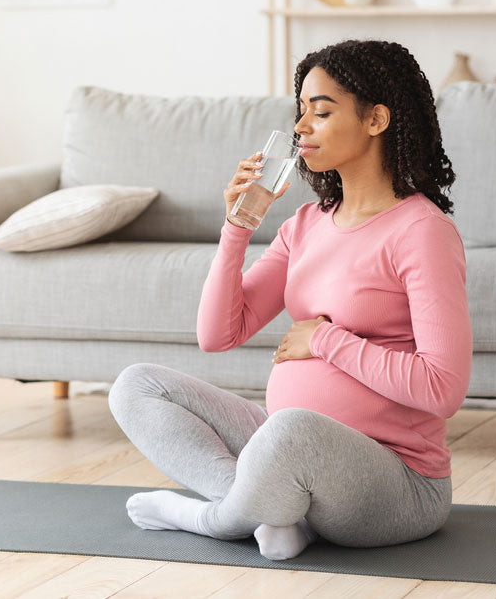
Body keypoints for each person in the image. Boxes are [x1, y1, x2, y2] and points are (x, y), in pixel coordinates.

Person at [107, 39, 472, 561]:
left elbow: (443, 390)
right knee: (137, 385)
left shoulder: (421, 232)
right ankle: (276, 511)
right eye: (300, 112)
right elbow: (217, 336)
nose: (301, 127)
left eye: (321, 112)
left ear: (376, 120)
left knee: (290, 430)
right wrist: (238, 226)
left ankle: (211, 519)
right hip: (288, 448)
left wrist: (324, 340)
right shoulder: (306, 224)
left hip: (399, 481)